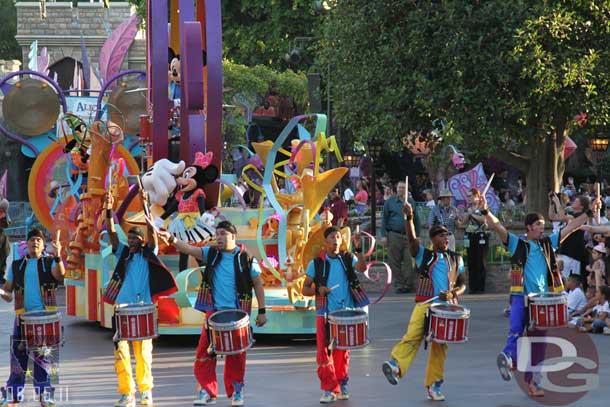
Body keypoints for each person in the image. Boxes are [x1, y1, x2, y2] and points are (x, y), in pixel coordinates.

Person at [482, 192, 597, 396]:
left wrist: (589, 211)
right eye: (538, 225)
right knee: (516, 330)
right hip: (521, 296)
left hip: (542, 300)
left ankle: (532, 381)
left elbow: (572, 227)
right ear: (529, 227)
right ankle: (508, 358)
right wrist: (485, 210)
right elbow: (498, 227)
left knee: (538, 343)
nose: (542, 228)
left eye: (543, 225)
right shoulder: (518, 243)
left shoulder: (547, 243)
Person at [159, 221, 267, 407]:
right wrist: (172, 239)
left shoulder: (246, 258)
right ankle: (207, 391)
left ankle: (236, 391)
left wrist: (262, 311)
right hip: (213, 313)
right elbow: (191, 250)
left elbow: (257, 283)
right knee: (204, 353)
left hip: (238, 315)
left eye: (223, 233)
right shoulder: (212, 253)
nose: (219, 237)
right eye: (217, 234)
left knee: (236, 355)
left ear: (233, 237)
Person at [382, 202, 466, 402]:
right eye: (440, 235)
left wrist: (453, 293)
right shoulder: (424, 255)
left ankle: (434, 385)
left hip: (446, 309)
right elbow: (411, 240)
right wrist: (409, 219)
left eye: (447, 235)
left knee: (440, 348)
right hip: (425, 304)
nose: (445, 238)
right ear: (433, 239)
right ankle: (395, 366)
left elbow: (463, 285)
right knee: (412, 336)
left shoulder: (457, 259)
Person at [102, 191, 178, 407]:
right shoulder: (123, 254)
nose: (132, 240)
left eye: (136, 238)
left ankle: (145, 391)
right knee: (122, 354)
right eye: (131, 237)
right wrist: (109, 210)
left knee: (143, 354)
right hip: (122, 310)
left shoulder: (149, 253)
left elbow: (153, 234)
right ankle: (127, 393)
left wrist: (145, 204)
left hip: (144, 308)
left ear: (143, 241)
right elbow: (112, 233)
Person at [301, 226, 369, 403]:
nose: (336, 239)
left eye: (338, 236)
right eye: (332, 236)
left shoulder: (347, 258)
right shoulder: (316, 263)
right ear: (325, 242)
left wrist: (359, 249)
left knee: (342, 352)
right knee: (324, 353)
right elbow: (305, 289)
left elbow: (361, 268)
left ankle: (342, 383)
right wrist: (319, 289)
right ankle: (328, 389)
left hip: (344, 314)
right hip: (325, 313)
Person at [0, 228, 65, 407]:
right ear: (26, 244)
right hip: (22, 320)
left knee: (43, 358)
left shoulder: (50, 262)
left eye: (38, 240)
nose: (34, 242)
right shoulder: (17, 265)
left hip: (45, 319)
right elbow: (8, 292)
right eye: (32, 240)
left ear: (43, 245)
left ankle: (45, 395)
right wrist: (1, 291)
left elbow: (60, 275)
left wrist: (58, 255)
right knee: (18, 358)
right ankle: (13, 396)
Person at [381, 181, 420, 293]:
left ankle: (408, 284)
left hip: (409, 235)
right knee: (394, 261)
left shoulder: (411, 202)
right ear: (396, 189)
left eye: (404, 187)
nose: (401, 189)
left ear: (407, 189)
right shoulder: (390, 202)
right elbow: (384, 219)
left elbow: (416, 220)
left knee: (409, 260)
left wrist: (418, 235)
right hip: (394, 234)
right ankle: (399, 284)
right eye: (399, 187)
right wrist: (383, 235)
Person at [462, 188, 488, 294]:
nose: (469, 198)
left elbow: (484, 219)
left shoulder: (483, 206)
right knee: (471, 261)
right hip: (470, 235)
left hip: (481, 236)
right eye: (468, 196)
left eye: (471, 196)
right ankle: (472, 287)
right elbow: (464, 221)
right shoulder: (468, 208)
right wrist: (468, 214)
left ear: (477, 196)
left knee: (480, 261)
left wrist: (472, 214)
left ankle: (480, 287)